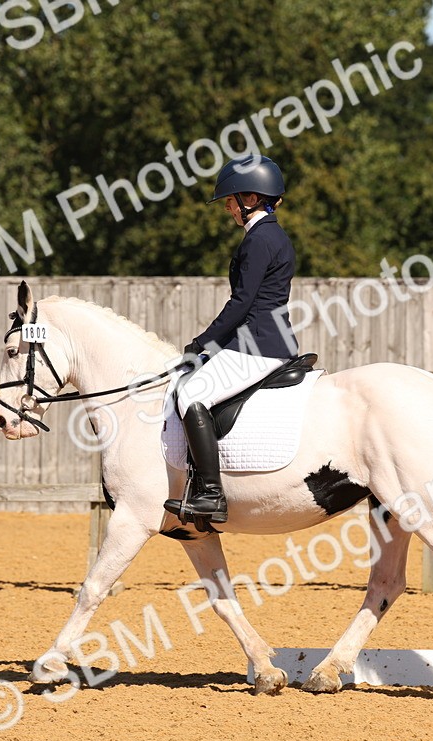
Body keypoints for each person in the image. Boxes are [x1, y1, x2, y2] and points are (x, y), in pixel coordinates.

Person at [164, 154, 299, 525]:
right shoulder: (270, 235)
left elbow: (242, 303)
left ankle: (210, 493)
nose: (227, 207)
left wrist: (203, 343)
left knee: (191, 394)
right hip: (263, 339)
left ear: (251, 199)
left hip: (258, 344)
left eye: (230, 199)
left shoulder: (260, 239)